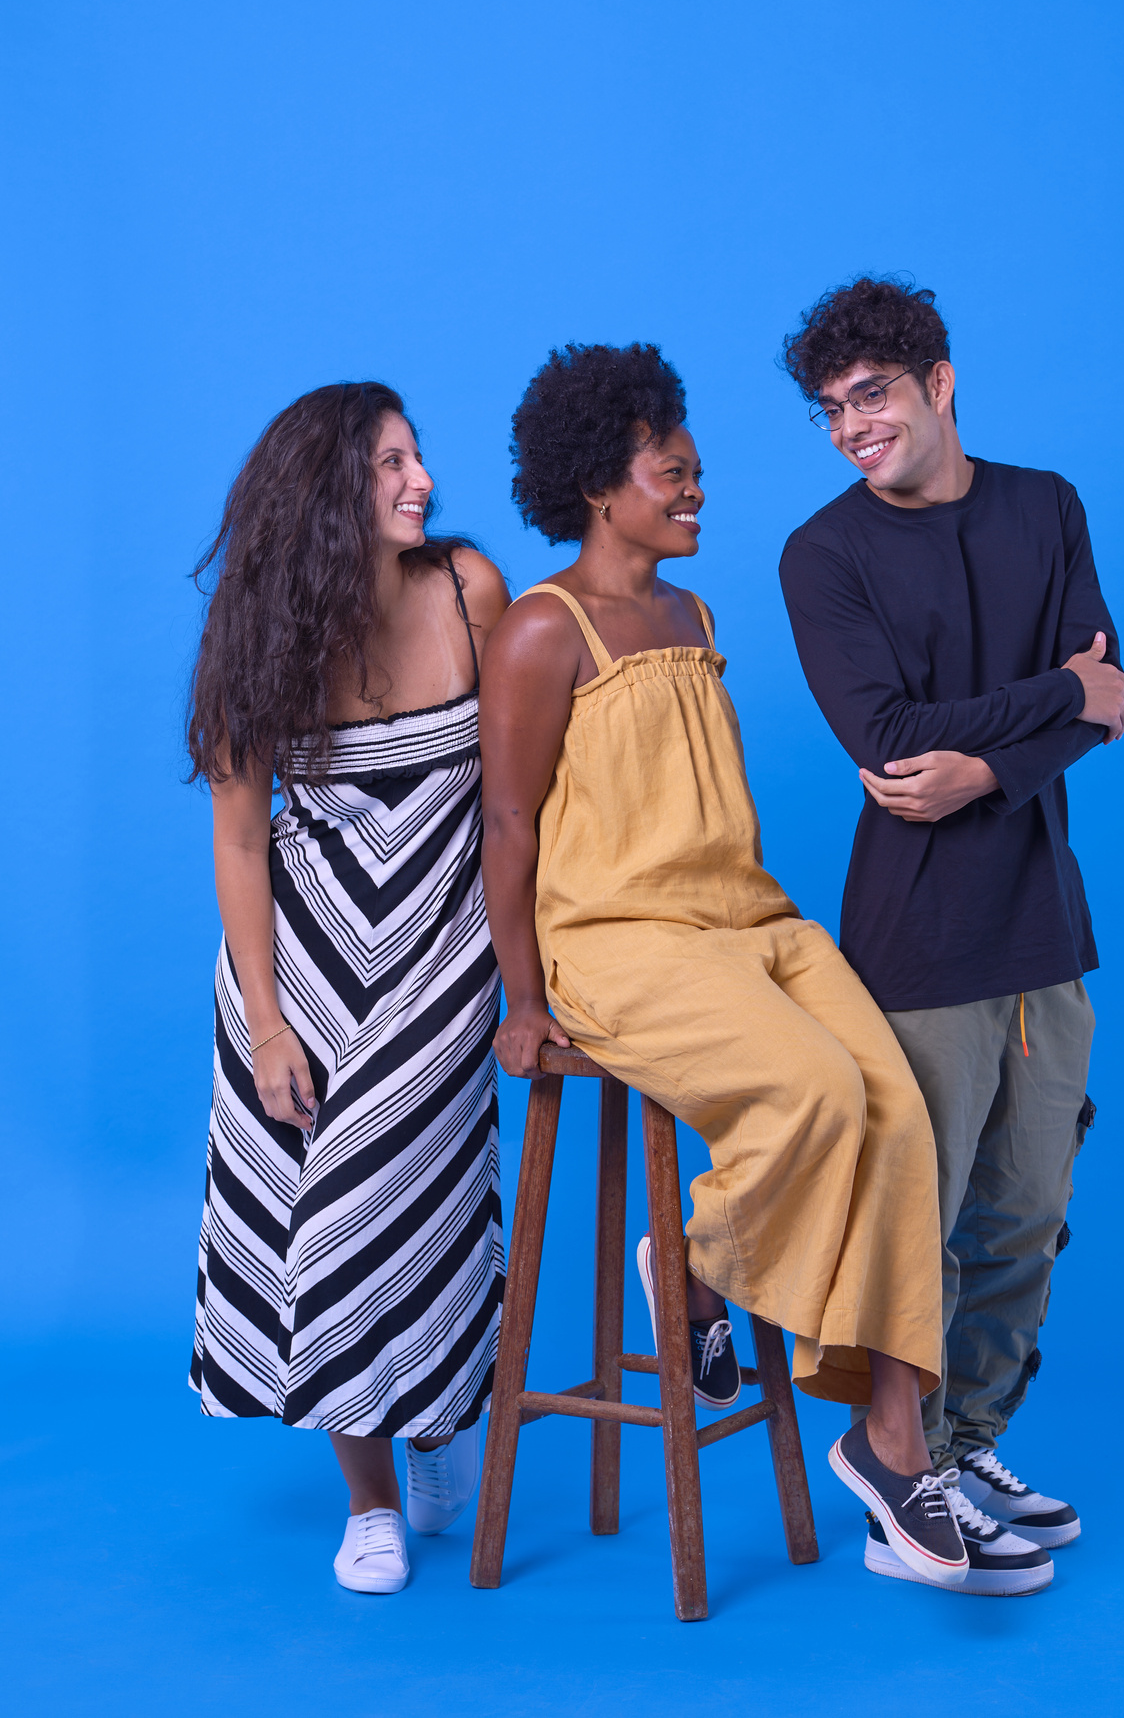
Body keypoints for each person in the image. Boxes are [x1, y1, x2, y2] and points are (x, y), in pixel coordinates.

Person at [479, 341, 969, 1589]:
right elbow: (511, 822)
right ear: (601, 484)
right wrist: (522, 998)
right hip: (621, 940)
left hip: (748, 923)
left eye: (695, 473)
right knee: (809, 1092)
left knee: (896, 1112)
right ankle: (691, 1264)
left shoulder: (694, 618)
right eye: (671, 473)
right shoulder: (545, 628)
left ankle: (890, 1439)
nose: (695, 491)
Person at [779, 277, 1124, 1597]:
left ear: (939, 381)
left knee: (1027, 1207)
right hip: (915, 930)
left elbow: (1113, 706)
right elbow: (885, 742)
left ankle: (965, 1449)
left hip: (1042, 921)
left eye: (870, 395)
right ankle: (896, 1461)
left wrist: (987, 766)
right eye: (828, 410)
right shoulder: (821, 555)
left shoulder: (1045, 506)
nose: (849, 427)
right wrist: (1059, 694)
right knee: (914, 1218)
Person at [187, 381, 510, 1595]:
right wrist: (266, 1023)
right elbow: (236, 841)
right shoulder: (263, 629)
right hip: (301, 966)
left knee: (413, 1211)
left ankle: (431, 1418)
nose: (419, 479)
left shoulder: (470, 590)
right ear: (328, 487)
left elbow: (526, 791)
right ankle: (370, 1496)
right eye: (389, 462)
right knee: (315, 1231)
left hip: (443, 946)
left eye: (418, 456)